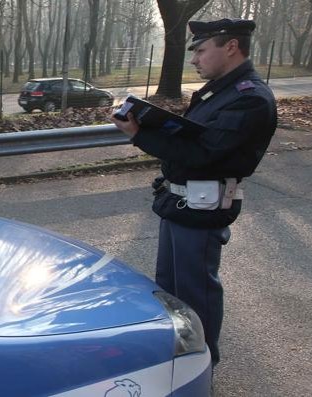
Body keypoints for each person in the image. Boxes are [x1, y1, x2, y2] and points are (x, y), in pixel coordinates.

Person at [110, 18, 277, 366]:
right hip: (180, 203)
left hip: (201, 209)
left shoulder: (250, 99)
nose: (195, 59)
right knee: (170, 290)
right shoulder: (221, 90)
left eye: (201, 50)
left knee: (195, 295)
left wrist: (138, 133)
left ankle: (200, 368)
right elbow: (193, 138)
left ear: (230, 46)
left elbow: (203, 154)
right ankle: (179, 359)